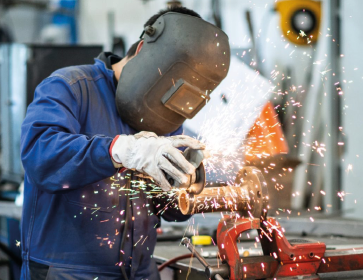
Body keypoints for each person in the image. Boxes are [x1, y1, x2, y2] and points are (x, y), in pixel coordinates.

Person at [20, 6, 230, 280]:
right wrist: (119, 150)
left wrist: (185, 185)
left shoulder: (166, 117)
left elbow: (168, 210)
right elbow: (40, 155)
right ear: (143, 49)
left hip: (140, 273)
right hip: (68, 273)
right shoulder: (70, 86)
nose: (170, 105)